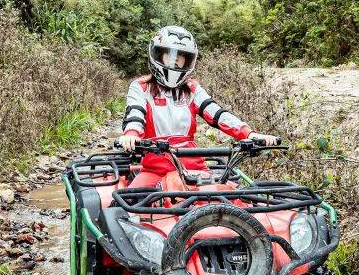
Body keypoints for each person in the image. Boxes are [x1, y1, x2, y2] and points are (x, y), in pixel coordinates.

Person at [118, 25, 278, 185]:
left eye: (181, 57)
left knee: (232, 199)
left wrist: (249, 134)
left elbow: (217, 113)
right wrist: (131, 134)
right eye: (169, 55)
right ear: (158, 55)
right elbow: (135, 113)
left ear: (188, 61)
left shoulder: (192, 89)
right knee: (128, 202)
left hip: (193, 166)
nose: (175, 61)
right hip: (155, 168)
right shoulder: (141, 87)